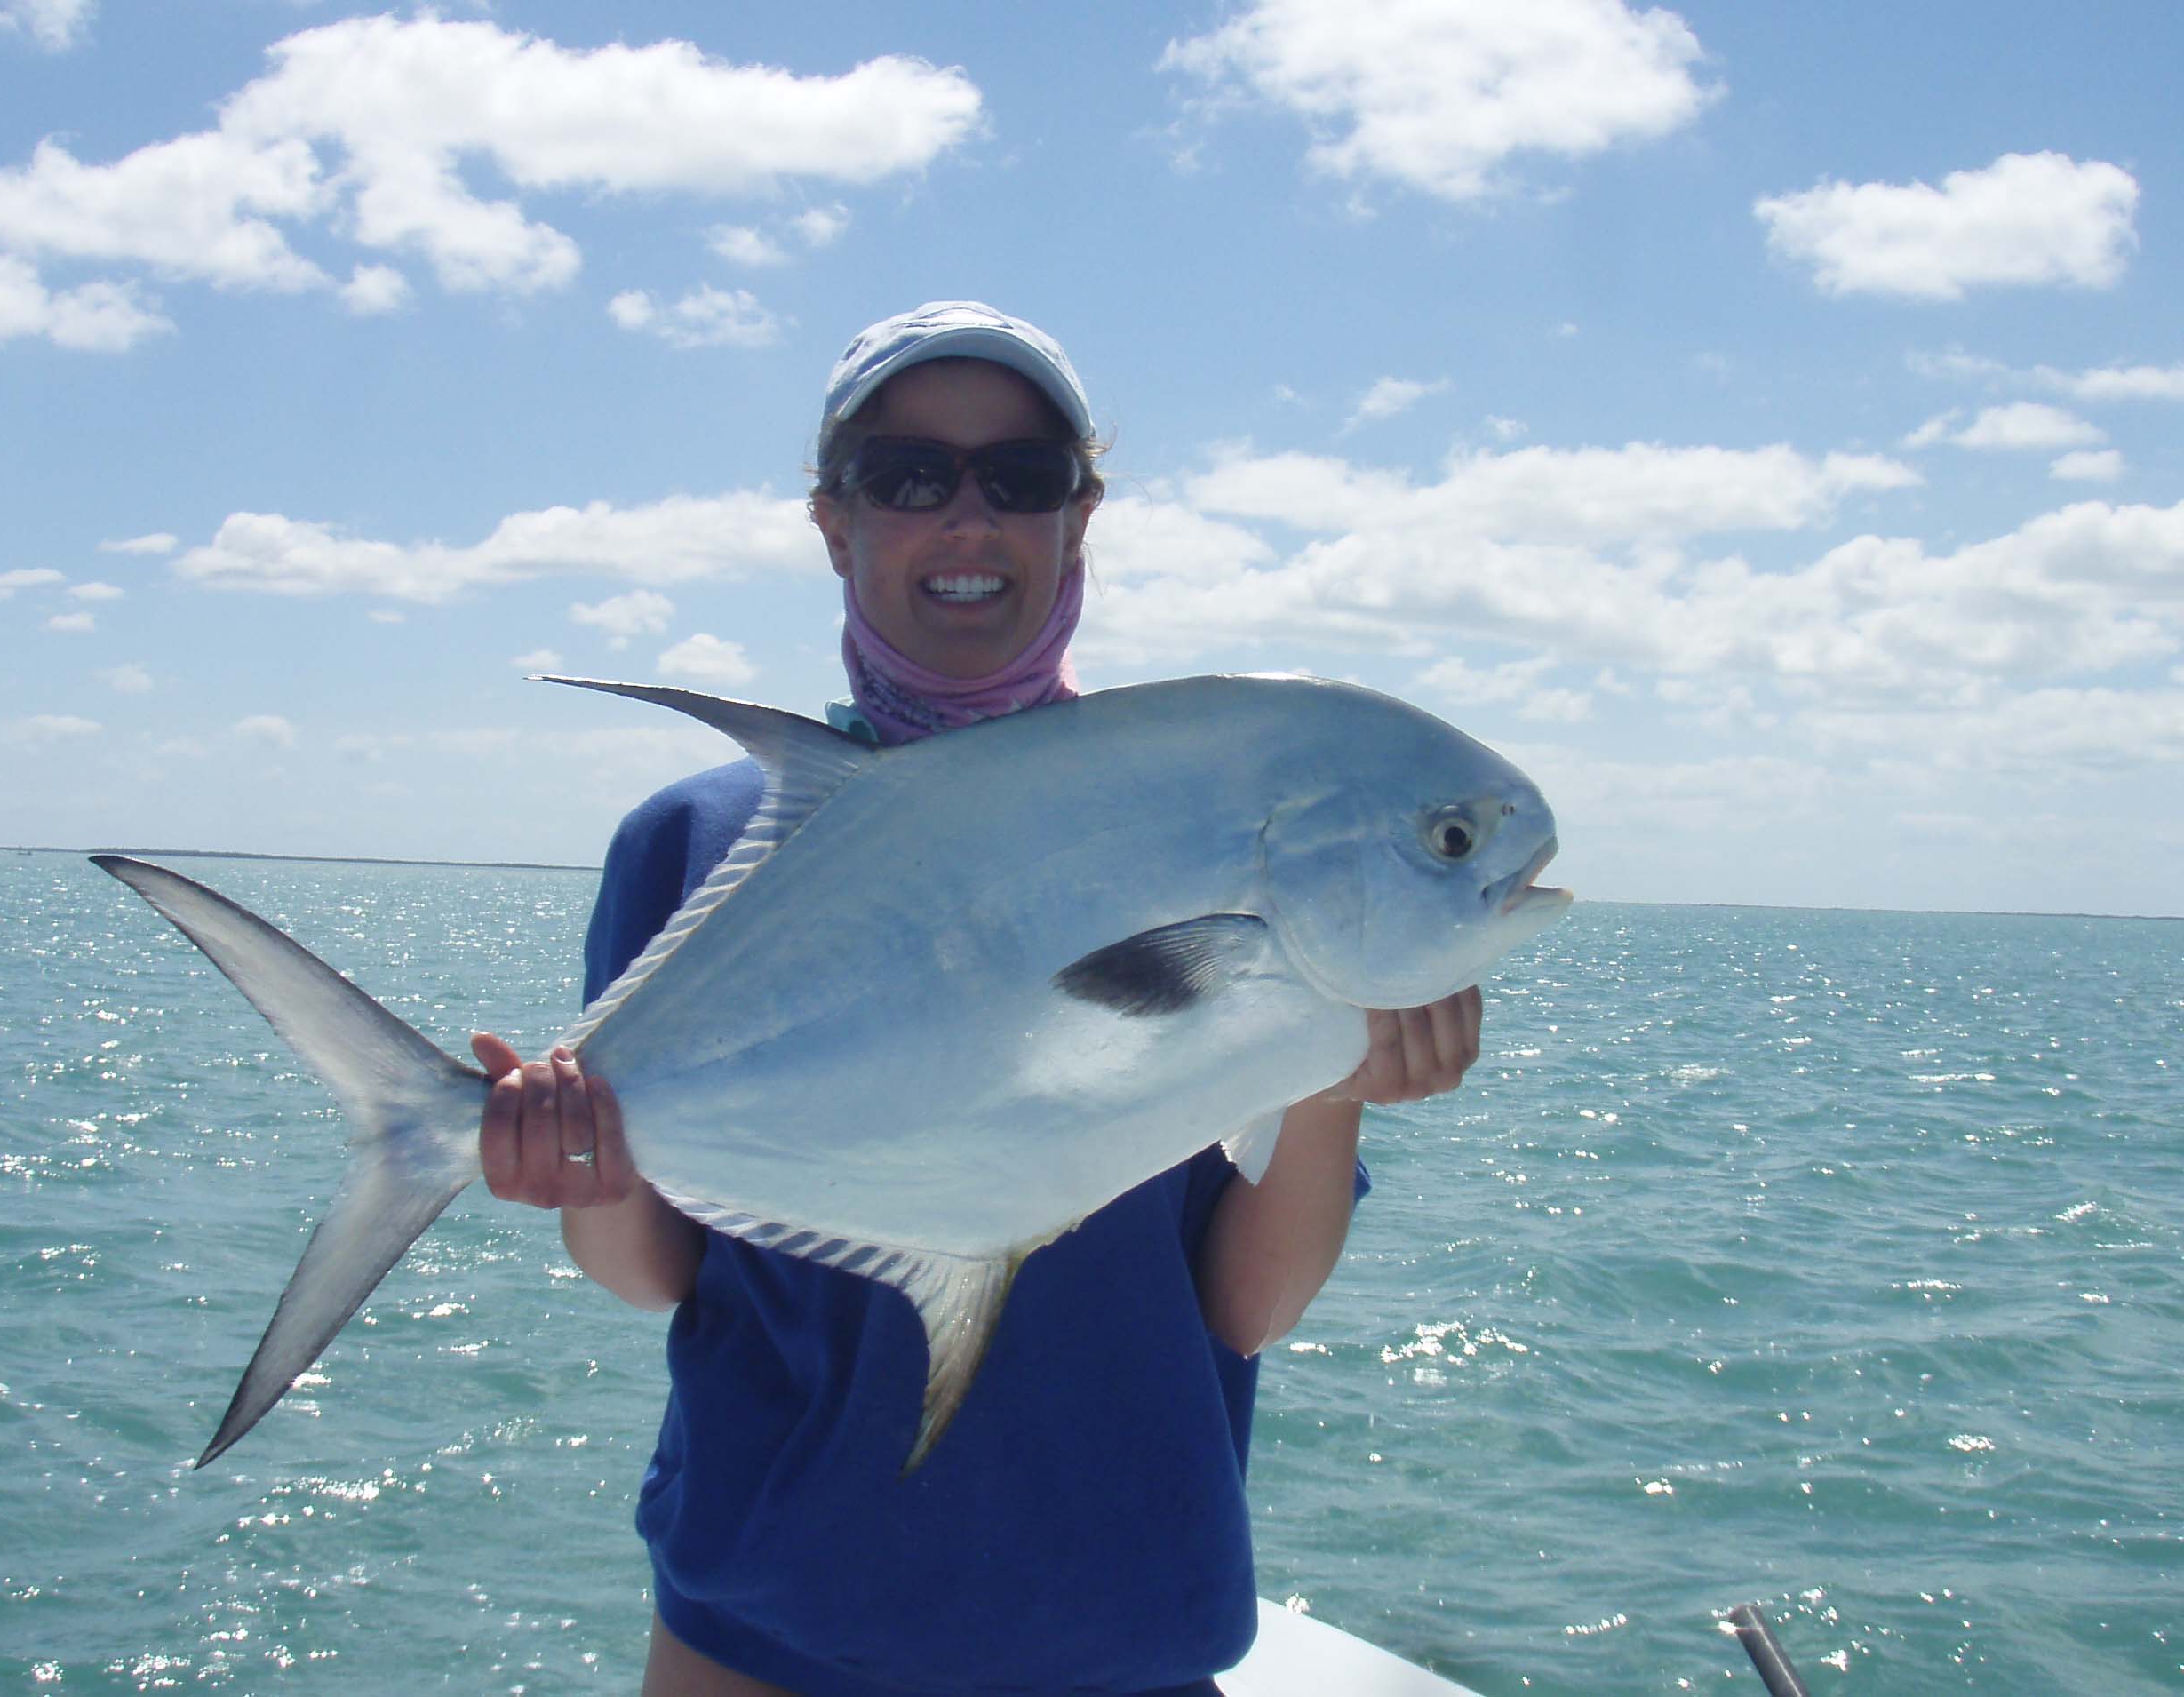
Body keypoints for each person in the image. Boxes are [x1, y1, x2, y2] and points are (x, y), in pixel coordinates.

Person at [470, 302, 1484, 1696]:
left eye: (1020, 476)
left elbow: (1246, 1308)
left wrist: (1330, 1084)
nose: (967, 518)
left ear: (1080, 518)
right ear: (833, 522)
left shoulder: (1202, 822)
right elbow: (651, 1271)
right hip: (759, 1635)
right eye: (906, 476)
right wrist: (574, 1166)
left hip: (1119, 1635)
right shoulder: (694, 842)